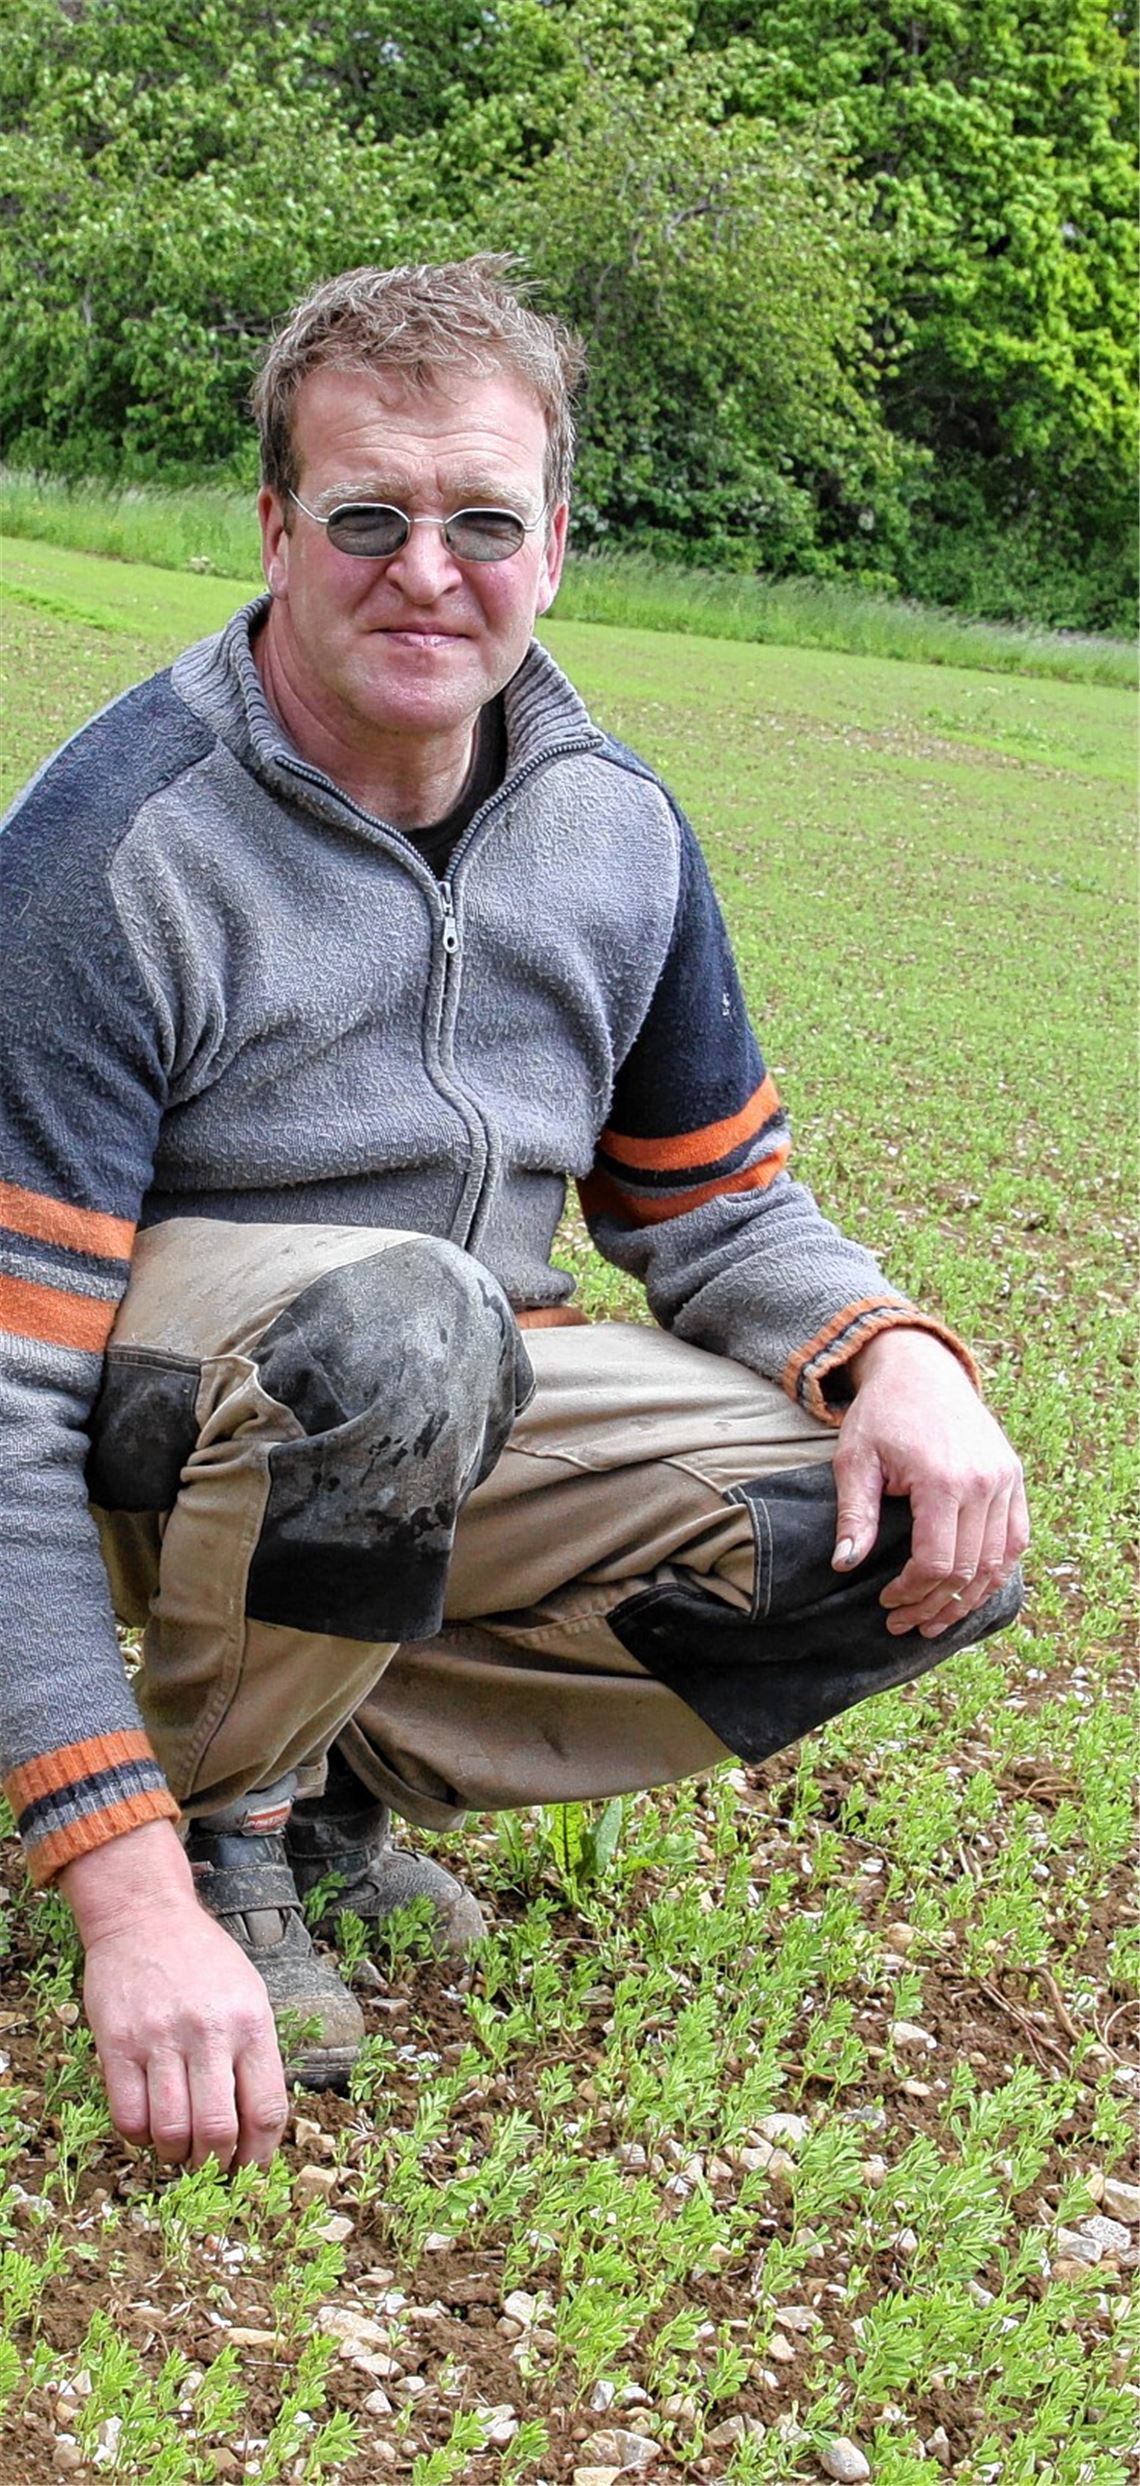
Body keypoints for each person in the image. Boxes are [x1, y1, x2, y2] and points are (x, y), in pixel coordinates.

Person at [0, 257, 1027, 2176]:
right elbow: (3, 1397)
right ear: (277, 527)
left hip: (432, 1410)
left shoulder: (613, 827)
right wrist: (115, 1884)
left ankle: (320, 1786)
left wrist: (889, 1348)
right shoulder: (113, 851)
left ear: (555, 540)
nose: (426, 570)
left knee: (894, 1534)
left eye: (481, 520)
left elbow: (716, 1204)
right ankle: (214, 1843)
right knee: (411, 1322)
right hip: (173, 1431)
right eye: (367, 517)